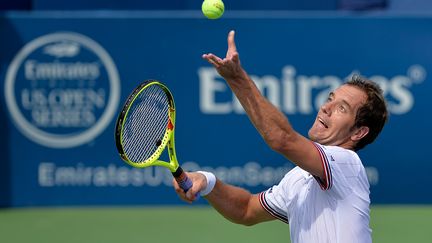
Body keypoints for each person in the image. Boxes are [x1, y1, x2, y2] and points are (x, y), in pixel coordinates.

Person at [173, 30, 388, 243]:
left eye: (342, 108)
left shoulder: (347, 164)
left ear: (359, 132)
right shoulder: (297, 178)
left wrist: (237, 78)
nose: (325, 107)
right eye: (330, 99)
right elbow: (245, 209)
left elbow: (281, 139)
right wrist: (206, 181)